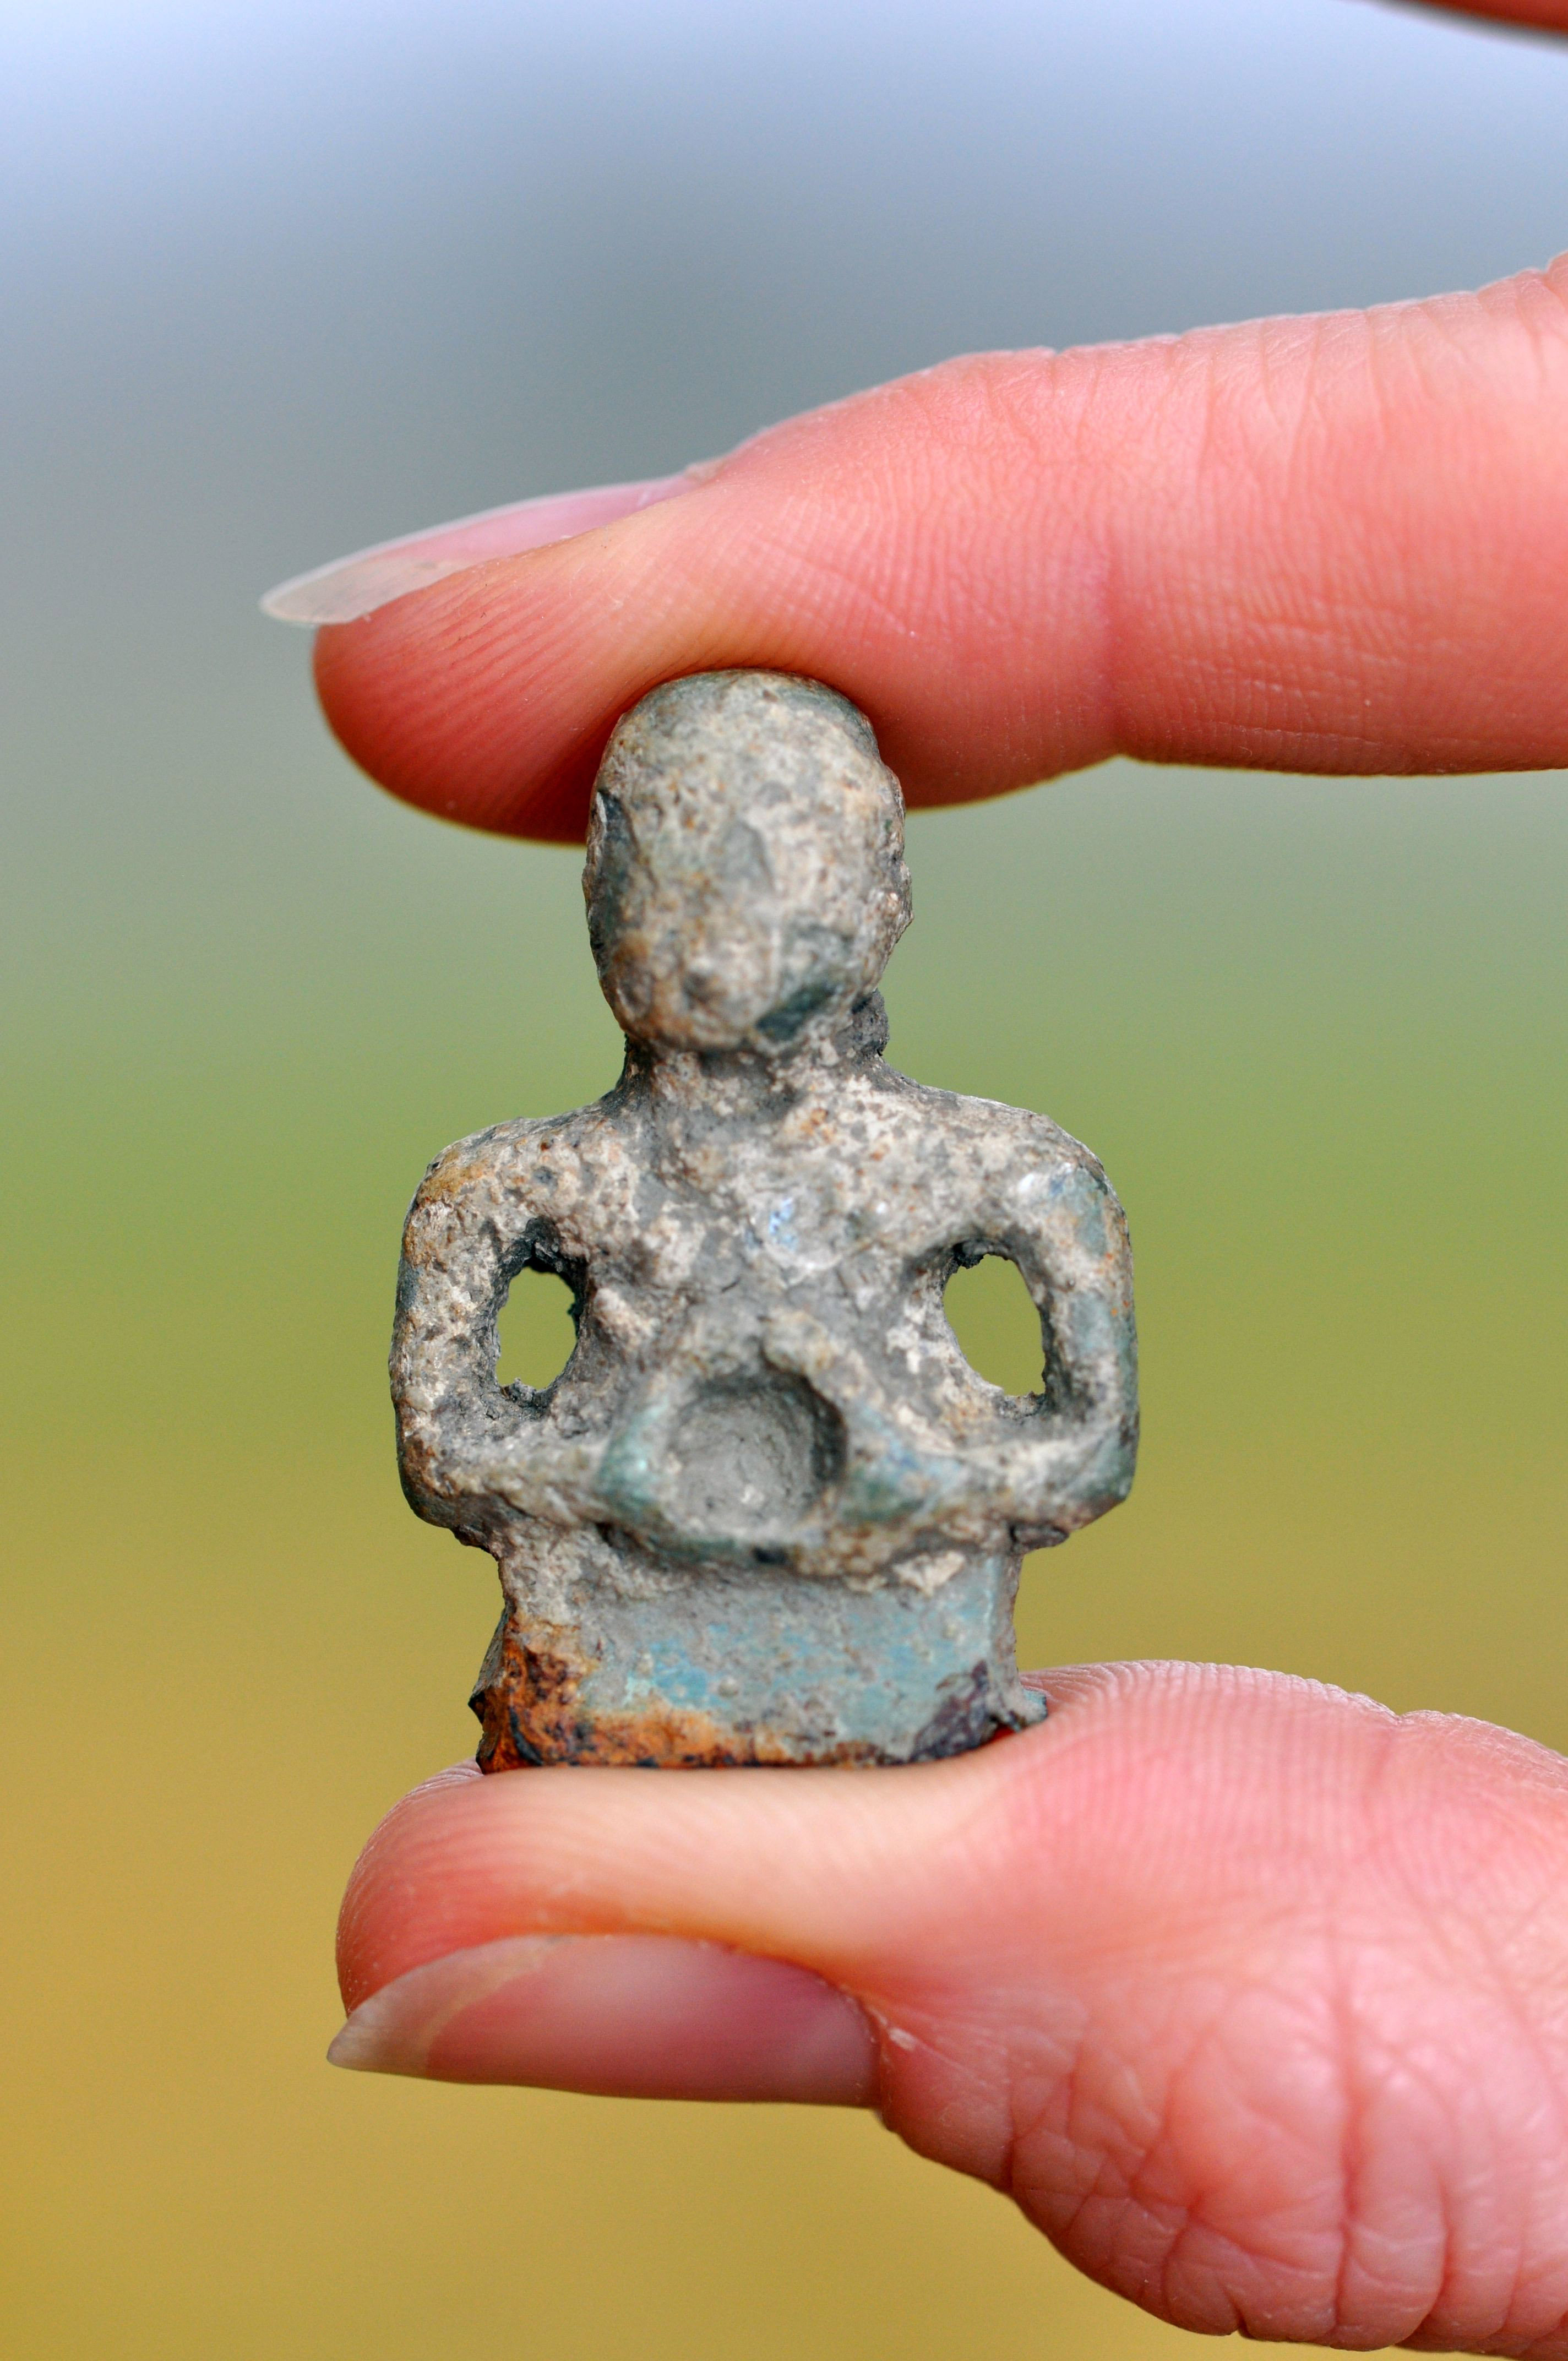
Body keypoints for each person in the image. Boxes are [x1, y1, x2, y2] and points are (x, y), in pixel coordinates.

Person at [277, 3, 1568, 2342]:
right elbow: (454, 1439)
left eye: (773, 873)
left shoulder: (998, 1175)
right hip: (618, 1609)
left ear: (879, 902)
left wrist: (889, 1437)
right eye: (665, 874)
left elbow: (1073, 1440)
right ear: (596, 913)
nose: (713, 924)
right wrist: (626, 1442)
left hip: (901, 1616)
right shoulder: (513, 1189)